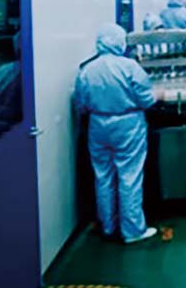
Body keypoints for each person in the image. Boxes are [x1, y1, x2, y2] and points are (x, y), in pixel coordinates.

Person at [73, 24, 157, 244]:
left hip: (97, 124)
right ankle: (132, 230)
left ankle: (108, 225)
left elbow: (80, 104)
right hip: (128, 124)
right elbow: (146, 100)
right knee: (129, 176)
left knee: (103, 176)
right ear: (120, 41)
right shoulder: (129, 67)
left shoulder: (87, 70)